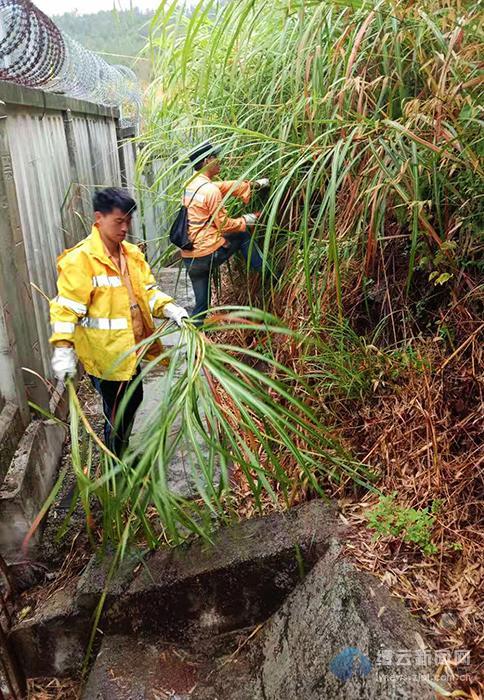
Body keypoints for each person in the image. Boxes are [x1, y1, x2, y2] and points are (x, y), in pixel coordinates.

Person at [50, 187, 189, 456]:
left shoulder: (132, 255)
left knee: (133, 400)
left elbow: (146, 292)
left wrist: (169, 307)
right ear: (98, 218)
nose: (125, 228)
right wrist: (64, 349)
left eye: (128, 221)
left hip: (132, 351)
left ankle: (120, 453)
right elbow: (66, 309)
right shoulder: (81, 260)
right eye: (118, 221)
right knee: (117, 413)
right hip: (106, 358)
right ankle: (116, 467)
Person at [181, 142, 270, 324]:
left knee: (200, 308)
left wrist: (251, 185)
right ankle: (266, 272)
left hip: (189, 257)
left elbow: (223, 186)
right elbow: (225, 225)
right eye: (215, 157)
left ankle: (193, 345)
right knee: (241, 235)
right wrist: (249, 219)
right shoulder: (210, 191)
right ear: (207, 160)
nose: (218, 160)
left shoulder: (190, 185)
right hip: (207, 253)